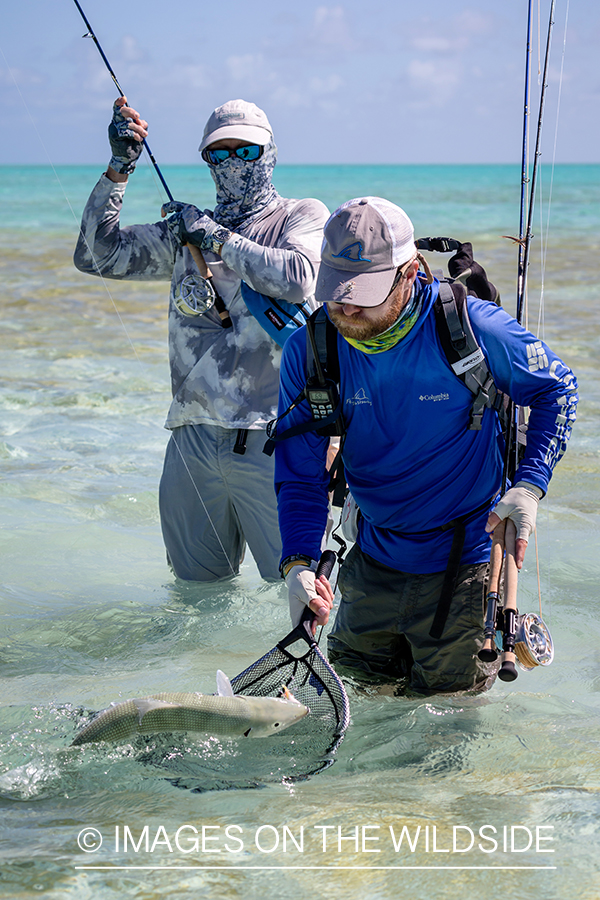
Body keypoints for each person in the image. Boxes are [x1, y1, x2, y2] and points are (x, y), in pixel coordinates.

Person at [274, 196, 578, 693]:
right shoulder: (309, 349)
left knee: (447, 731)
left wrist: (529, 487)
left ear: (409, 272)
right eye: (335, 291)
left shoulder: (471, 327)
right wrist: (300, 562)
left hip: (469, 562)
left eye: (364, 292)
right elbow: (300, 470)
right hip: (372, 559)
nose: (346, 307)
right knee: (362, 706)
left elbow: (556, 388)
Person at [74, 97, 329, 581]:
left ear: (270, 153)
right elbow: (95, 256)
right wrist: (119, 168)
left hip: (273, 439)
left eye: (246, 151)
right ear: (206, 160)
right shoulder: (181, 234)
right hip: (190, 439)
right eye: (219, 153)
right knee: (196, 601)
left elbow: (299, 278)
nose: (232, 163)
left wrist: (215, 237)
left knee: (296, 593)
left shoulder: (299, 215)